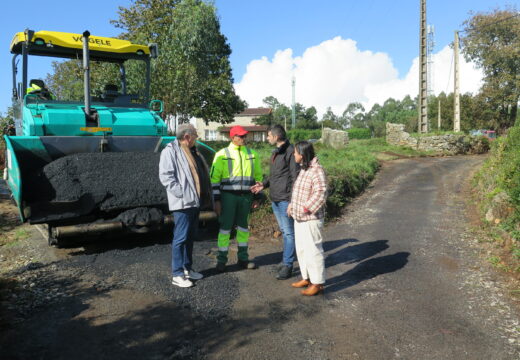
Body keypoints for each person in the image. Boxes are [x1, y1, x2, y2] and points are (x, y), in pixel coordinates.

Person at [159, 124, 212, 288]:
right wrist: (182, 193)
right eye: (195, 135)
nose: (196, 138)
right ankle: (177, 274)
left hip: (194, 201)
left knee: (189, 237)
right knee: (180, 238)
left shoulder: (193, 150)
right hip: (183, 202)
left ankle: (187, 268)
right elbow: (166, 176)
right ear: (187, 137)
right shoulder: (170, 151)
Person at [210, 125, 263, 272]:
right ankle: (221, 261)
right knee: (225, 229)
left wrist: (257, 197)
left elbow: (258, 177)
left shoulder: (253, 154)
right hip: (228, 197)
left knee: (243, 229)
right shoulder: (222, 154)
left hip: (246, 196)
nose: (243, 138)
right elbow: (214, 179)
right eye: (240, 136)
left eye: (244, 136)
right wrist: (217, 200)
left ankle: (243, 259)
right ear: (232, 137)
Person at [251, 125, 299, 280]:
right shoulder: (277, 152)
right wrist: (263, 185)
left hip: (285, 199)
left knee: (289, 233)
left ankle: (288, 265)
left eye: (268, 135)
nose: (267, 138)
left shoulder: (290, 151)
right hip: (276, 199)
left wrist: (292, 201)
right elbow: (274, 175)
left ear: (277, 136)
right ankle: (285, 260)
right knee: (285, 232)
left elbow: (294, 177)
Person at [288, 141, 327, 296]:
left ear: (302, 155)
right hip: (300, 218)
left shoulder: (316, 170)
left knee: (313, 251)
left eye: (295, 153)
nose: (293, 155)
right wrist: (292, 205)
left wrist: (305, 208)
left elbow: (321, 193)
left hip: (310, 218)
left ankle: (317, 283)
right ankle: (307, 278)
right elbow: (298, 191)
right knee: (302, 250)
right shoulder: (304, 169)